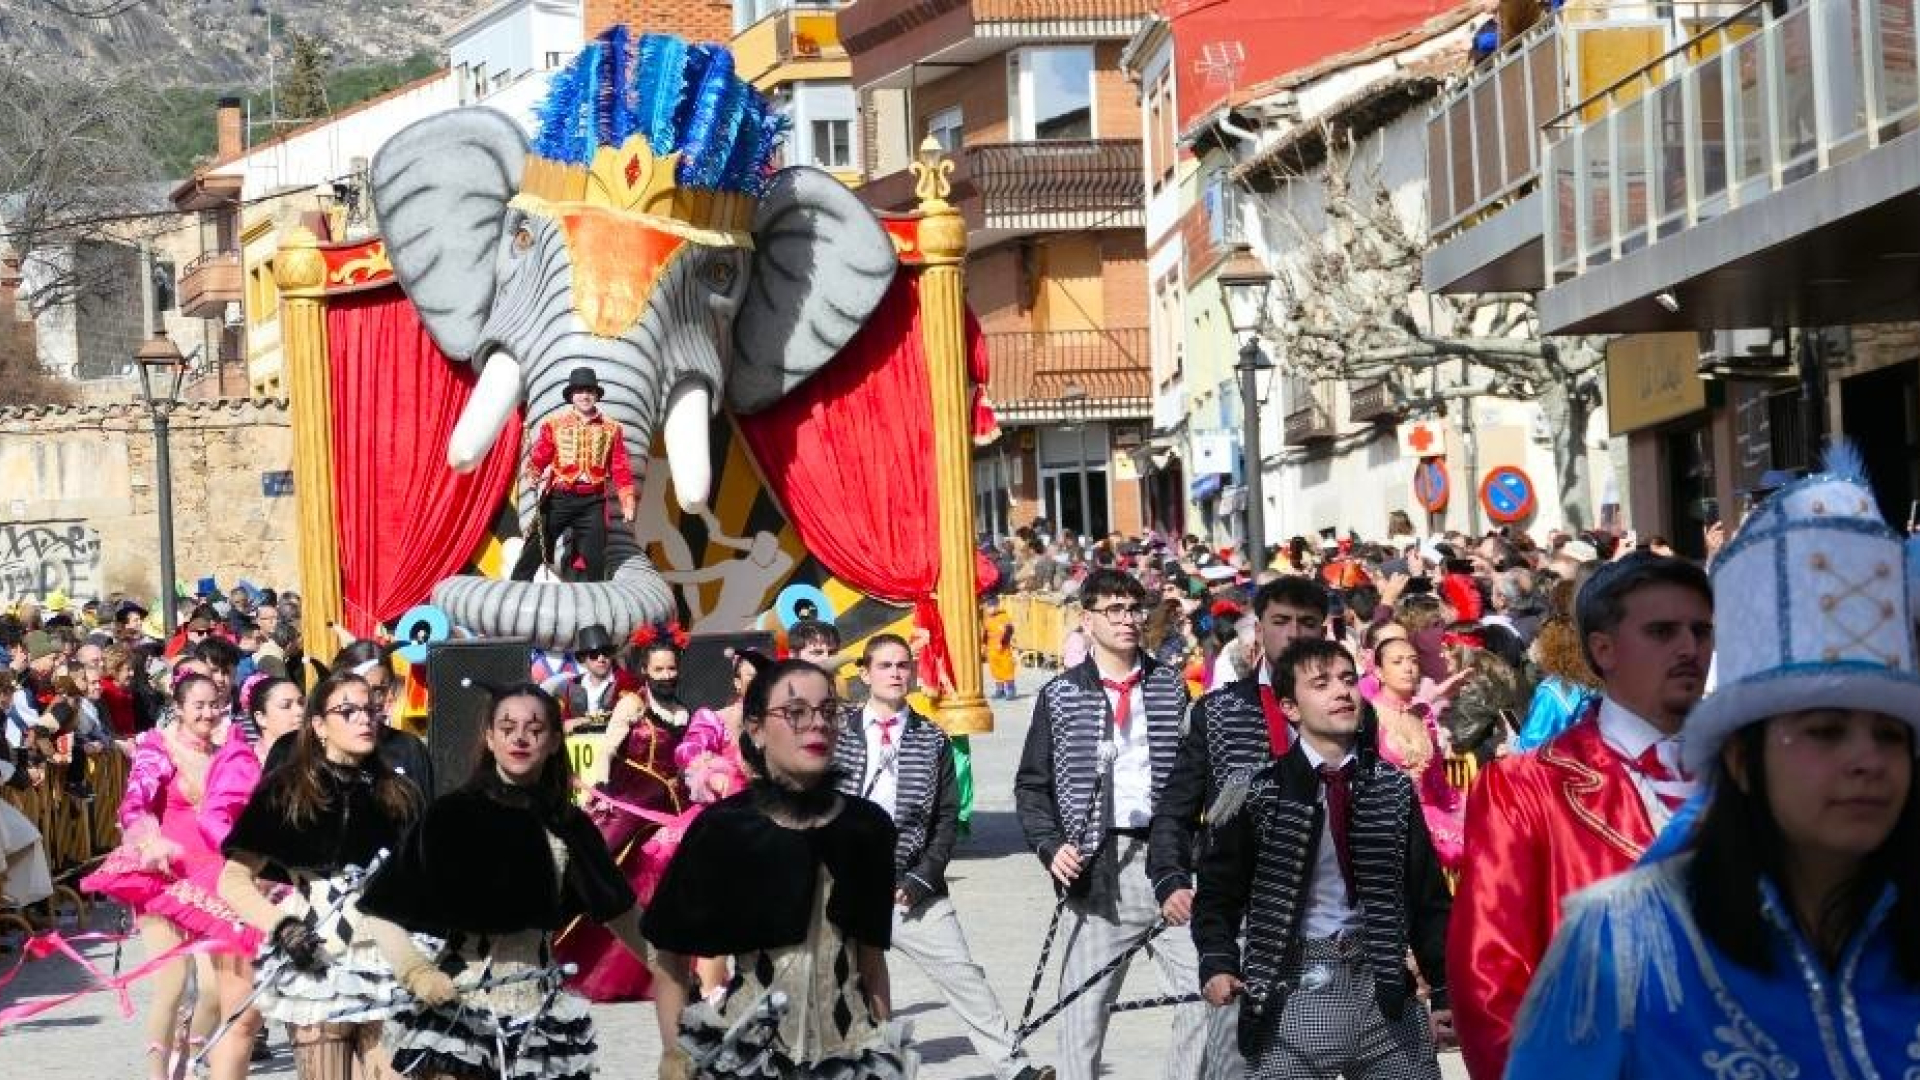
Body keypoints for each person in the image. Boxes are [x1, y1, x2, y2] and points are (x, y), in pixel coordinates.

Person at [1508, 463, 1920, 1076]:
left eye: (1890, 735)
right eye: (1825, 731)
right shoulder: (1621, 946)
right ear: (1741, 758)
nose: (1865, 761)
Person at [1447, 553, 1713, 1079]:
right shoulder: (1528, 787)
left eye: (1701, 631)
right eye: (1662, 631)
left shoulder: (1759, 778)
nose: (1689, 648)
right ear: (1603, 648)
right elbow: (1489, 978)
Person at [358, 682, 651, 1080]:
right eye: (507, 726)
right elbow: (379, 910)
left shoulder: (569, 824)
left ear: (552, 741)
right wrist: (417, 972)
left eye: (535, 728)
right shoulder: (451, 815)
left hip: (543, 1019)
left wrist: (674, 977)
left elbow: (622, 914)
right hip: (461, 1013)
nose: (520, 737)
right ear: (490, 739)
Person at [1194, 639, 1452, 1079]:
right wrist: (1217, 962)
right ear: (1290, 707)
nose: (1341, 692)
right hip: (1290, 989)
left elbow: (1428, 898)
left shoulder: (1391, 788)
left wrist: (1445, 990)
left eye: (1349, 680)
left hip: (1384, 989)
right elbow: (1217, 896)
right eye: (1322, 683)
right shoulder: (1255, 792)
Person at [1014, 568, 1234, 1080]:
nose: (1128, 620)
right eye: (1114, 610)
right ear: (1087, 620)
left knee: (1209, 987)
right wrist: (1050, 845)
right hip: (1097, 868)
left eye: (1134, 608)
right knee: (1081, 1017)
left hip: (1169, 864)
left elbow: (1194, 775)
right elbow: (1031, 785)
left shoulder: (1168, 685)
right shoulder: (1061, 694)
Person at [644, 659, 913, 1078]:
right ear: (755, 729)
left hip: (850, 1055)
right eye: (795, 713)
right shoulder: (723, 829)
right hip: (749, 1059)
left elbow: (872, 964)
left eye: (827, 711)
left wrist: (886, 1055)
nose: (817, 724)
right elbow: (670, 960)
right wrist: (674, 1054)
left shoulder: (867, 826)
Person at [835, 635, 1050, 1080]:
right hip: (847, 882)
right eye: (885, 665)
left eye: (902, 666)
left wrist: (923, 878)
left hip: (910, 884)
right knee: (840, 982)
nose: (896, 673)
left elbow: (947, 817)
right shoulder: (838, 732)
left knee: (962, 973)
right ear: (865, 673)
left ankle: (1014, 1067)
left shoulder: (932, 737)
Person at [215, 671, 425, 1080]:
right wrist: (283, 927)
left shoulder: (398, 793)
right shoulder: (287, 791)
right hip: (316, 957)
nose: (364, 720)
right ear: (318, 726)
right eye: (347, 711)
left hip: (385, 957)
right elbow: (233, 881)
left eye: (369, 710)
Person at [1150, 577, 1332, 932]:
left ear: (1322, 632)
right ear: (1259, 630)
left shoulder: (1350, 710)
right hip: (1241, 898)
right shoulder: (1217, 711)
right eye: (1281, 622)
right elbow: (1176, 806)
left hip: (1329, 897)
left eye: (1307, 623)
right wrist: (1171, 877)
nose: (1294, 633)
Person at [80, 672, 230, 1079]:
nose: (207, 712)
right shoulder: (158, 747)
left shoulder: (227, 754)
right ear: (179, 708)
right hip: (163, 876)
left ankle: (187, 1056)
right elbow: (134, 802)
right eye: (198, 705)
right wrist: (148, 842)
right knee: (172, 981)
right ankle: (156, 1074)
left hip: (213, 879)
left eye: (213, 704)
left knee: (216, 991)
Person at [553, 628, 690, 1002]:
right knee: (599, 872)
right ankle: (551, 946)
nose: (666, 675)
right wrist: (599, 792)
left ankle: (662, 972)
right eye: (658, 669)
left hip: (669, 812)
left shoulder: (683, 711)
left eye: (670, 669)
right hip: (629, 804)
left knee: (664, 885)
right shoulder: (632, 703)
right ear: (645, 670)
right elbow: (607, 749)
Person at [196, 675, 306, 1080]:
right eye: (286, 705)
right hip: (250, 900)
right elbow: (212, 818)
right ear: (259, 717)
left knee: (312, 1022)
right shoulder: (241, 761)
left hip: (306, 903)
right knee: (243, 1018)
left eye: (301, 702)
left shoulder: (314, 759)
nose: (298, 711)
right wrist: (253, 862)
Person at [511, 366, 636, 583]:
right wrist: (533, 472)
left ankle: (595, 607)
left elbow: (620, 466)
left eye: (589, 391)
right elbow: (541, 456)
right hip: (560, 498)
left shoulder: (612, 428)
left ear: (596, 395)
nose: (585, 396)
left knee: (596, 559)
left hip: (593, 501)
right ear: (571, 396)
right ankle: (514, 589)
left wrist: (627, 500)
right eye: (579, 391)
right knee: (535, 548)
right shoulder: (554, 425)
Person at [1365, 638, 1464, 871]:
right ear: (1378, 671)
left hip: (1432, 812)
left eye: (1413, 661)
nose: (1408, 668)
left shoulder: (1423, 711)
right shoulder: (1368, 716)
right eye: (1397, 662)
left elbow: (1438, 777)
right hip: (1389, 819)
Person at [553, 623, 633, 728]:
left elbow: (631, 718)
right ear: (583, 660)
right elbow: (558, 722)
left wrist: (586, 720)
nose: (601, 659)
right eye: (594, 655)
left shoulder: (629, 683)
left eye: (606, 652)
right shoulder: (569, 686)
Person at [984, 595, 1019, 700]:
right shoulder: (988, 618)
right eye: (988, 607)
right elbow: (986, 633)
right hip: (992, 648)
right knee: (995, 669)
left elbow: (1009, 631)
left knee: (1007, 668)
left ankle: (1011, 690)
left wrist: (1003, 643)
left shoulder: (1004, 617)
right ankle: (1000, 690)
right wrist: (984, 644)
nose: (989, 609)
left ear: (996, 606)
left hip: (1002, 648)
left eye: (991, 606)